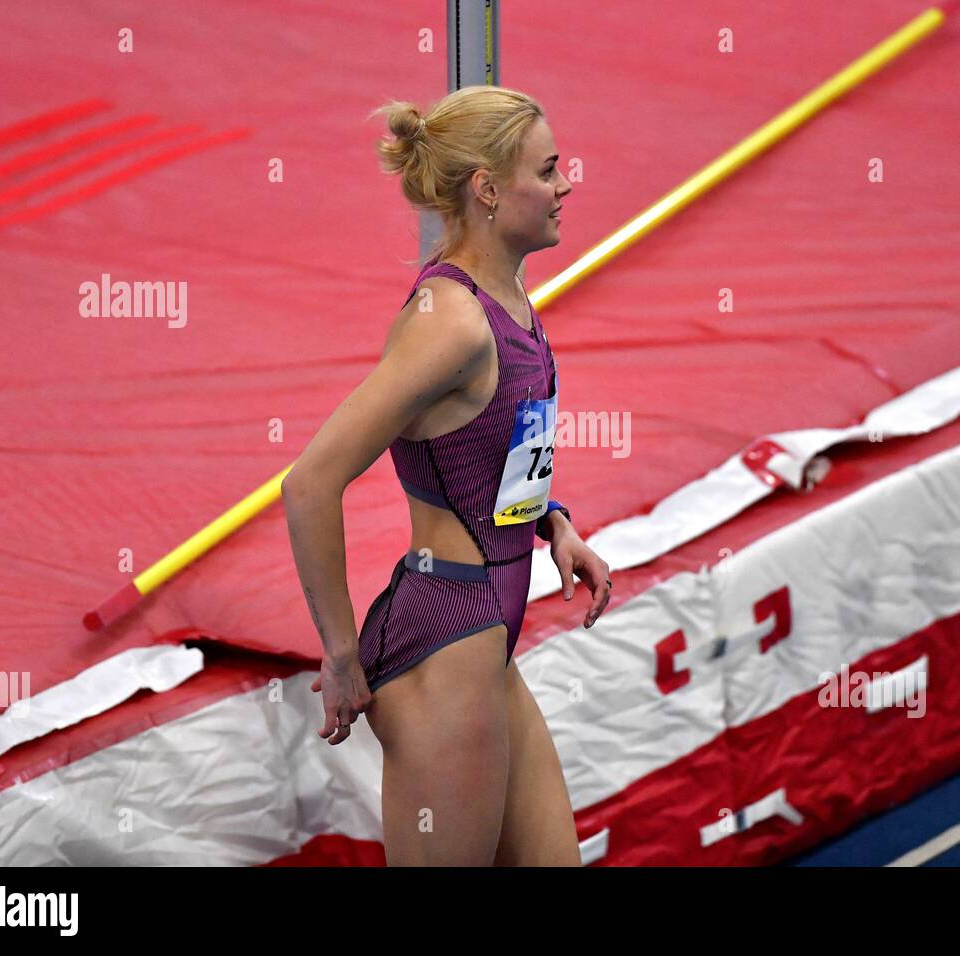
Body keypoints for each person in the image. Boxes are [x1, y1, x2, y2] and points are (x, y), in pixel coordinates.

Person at [281, 85, 611, 866]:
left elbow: (483, 446)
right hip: (444, 646)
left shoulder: (507, 296)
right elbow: (309, 483)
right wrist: (339, 655)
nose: (567, 185)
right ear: (489, 190)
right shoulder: (452, 324)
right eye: (550, 170)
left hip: (486, 640)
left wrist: (551, 523)